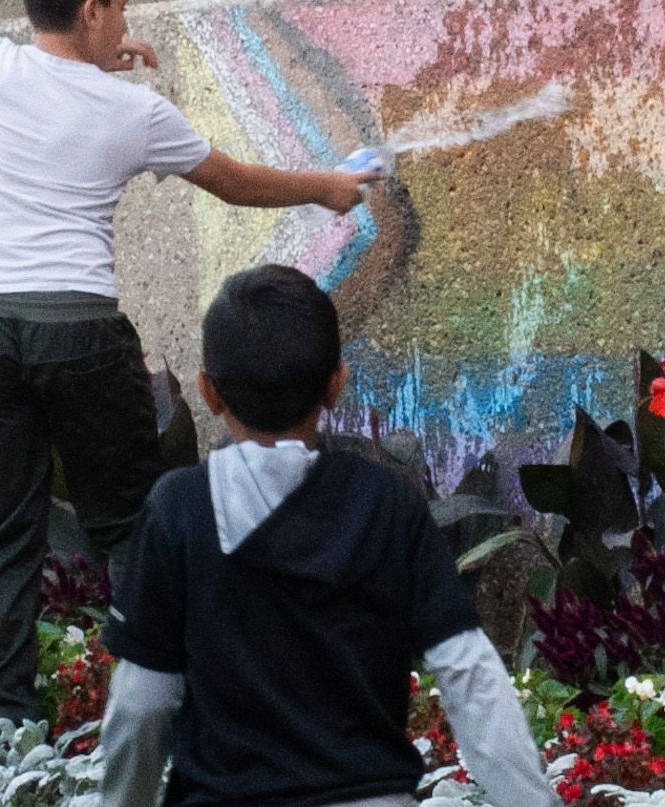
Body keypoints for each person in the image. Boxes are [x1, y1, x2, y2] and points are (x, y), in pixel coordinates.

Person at [0, 0, 373, 722]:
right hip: (77, 327)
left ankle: (5, 718)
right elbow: (234, 182)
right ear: (95, 9)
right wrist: (326, 187)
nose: (127, 24)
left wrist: (90, 54)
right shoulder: (134, 111)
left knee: (1, 535)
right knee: (128, 525)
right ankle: (168, 694)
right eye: (122, 9)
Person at [96, 264, 556, 807]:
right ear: (336, 385)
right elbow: (471, 676)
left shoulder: (179, 509)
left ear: (208, 391)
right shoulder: (389, 504)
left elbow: (143, 703)